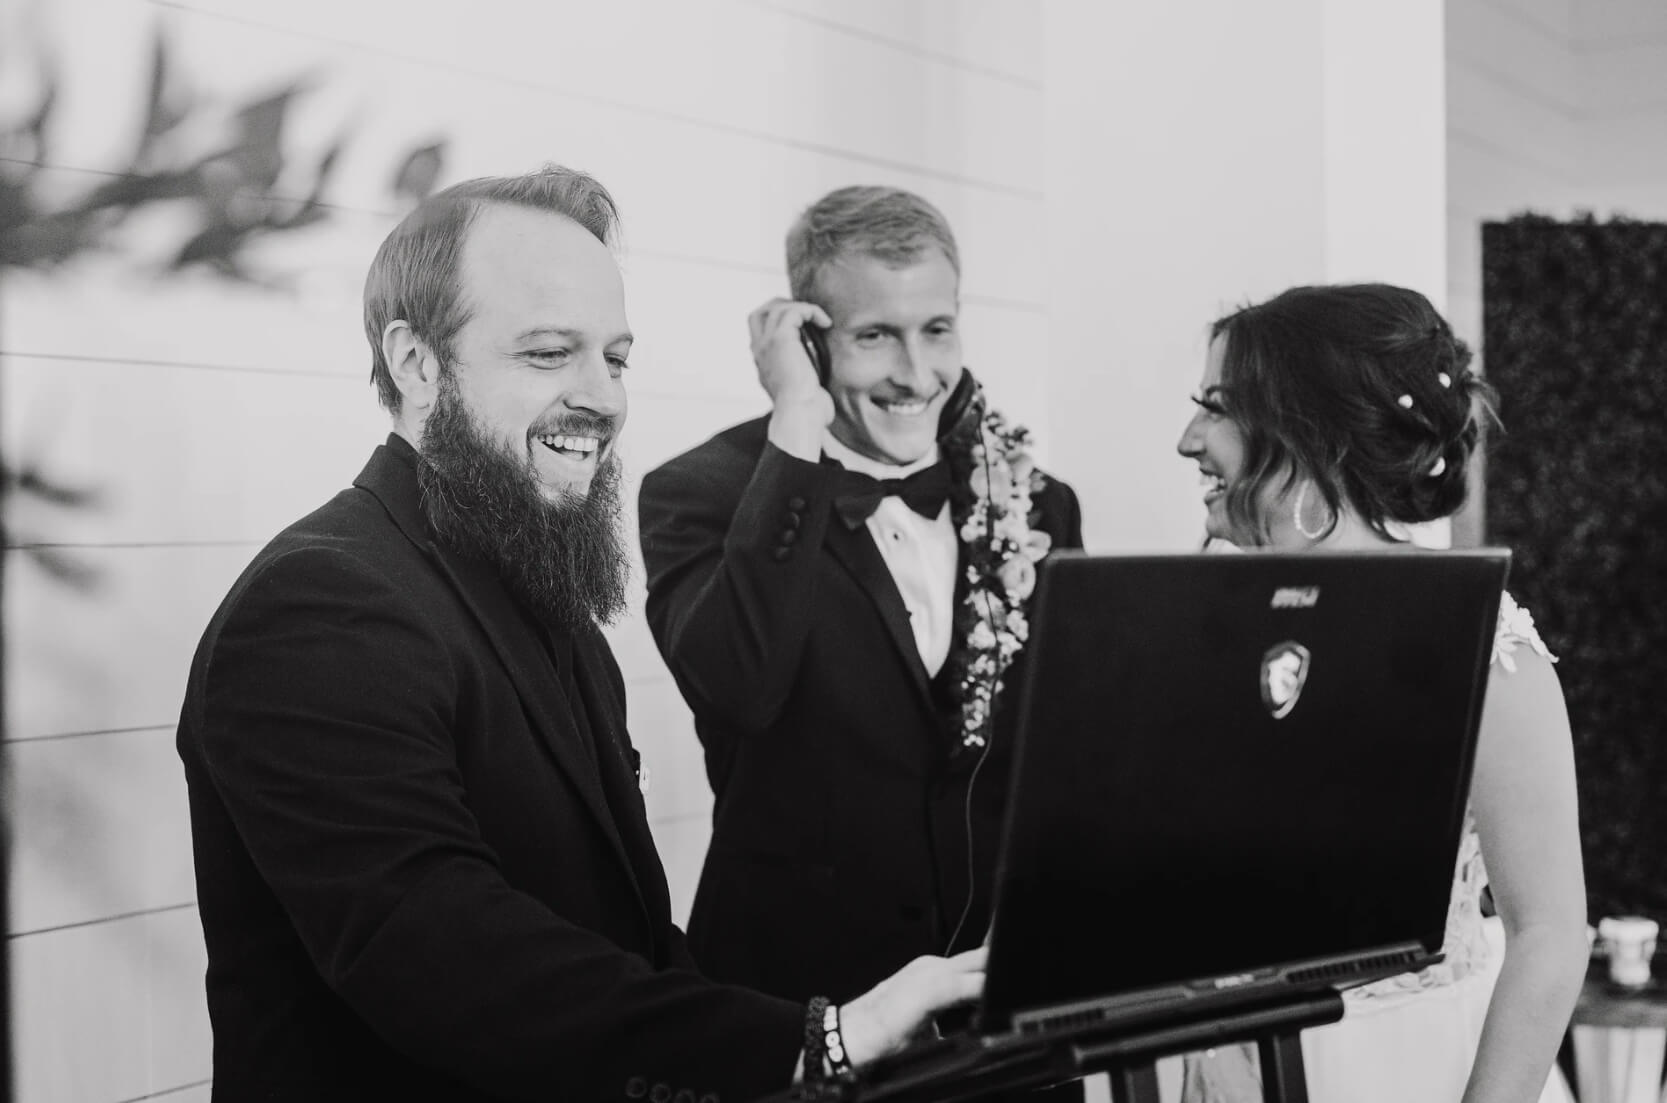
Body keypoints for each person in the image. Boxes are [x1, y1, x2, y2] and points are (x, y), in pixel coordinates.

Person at [174, 167, 984, 1103]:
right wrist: (815, 1043)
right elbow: (442, 951)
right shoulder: (319, 602)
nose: (602, 397)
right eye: (551, 353)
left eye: (616, 357)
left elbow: (628, 942)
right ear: (417, 363)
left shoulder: (545, 592)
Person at [637, 186, 1083, 1007]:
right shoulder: (695, 494)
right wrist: (796, 419)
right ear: (807, 336)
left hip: (1003, 995)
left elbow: (1060, 755)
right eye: (875, 334)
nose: (916, 374)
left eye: (936, 329)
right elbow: (740, 690)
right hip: (797, 1000)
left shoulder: (1037, 500)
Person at [1173, 283, 1588, 1103]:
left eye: (1216, 408)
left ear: (1306, 436)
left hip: (1409, 1071)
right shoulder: (1198, 626)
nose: (1187, 439)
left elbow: (1548, 932)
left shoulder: (1476, 642)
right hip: (1224, 1069)